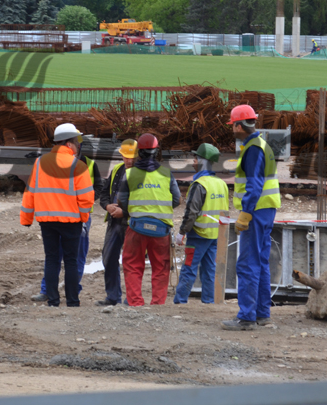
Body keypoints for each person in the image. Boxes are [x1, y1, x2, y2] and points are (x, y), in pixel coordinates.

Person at [20, 123, 94, 307]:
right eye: (76, 142)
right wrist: (83, 219)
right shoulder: (78, 165)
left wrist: (27, 219)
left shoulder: (39, 163)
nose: (78, 145)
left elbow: (30, 193)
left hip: (47, 221)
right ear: (69, 144)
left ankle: (53, 300)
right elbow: (86, 199)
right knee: (70, 261)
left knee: (51, 259)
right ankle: (72, 301)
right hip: (71, 222)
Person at [221, 105, 281, 330]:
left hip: (255, 212)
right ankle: (262, 314)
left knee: (247, 263)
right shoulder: (261, 144)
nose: (232, 130)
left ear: (239, 125)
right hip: (265, 211)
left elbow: (254, 185)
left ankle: (246, 318)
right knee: (261, 262)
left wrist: (245, 214)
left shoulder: (253, 148)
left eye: (233, 126)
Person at [31, 142, 103, 303]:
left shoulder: (88, 164)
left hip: (80, 217)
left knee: (75, 257)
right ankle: (50, 292)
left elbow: (98, 186)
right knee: (57, 257)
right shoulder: (55, 163)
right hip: (64, 217)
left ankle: (71, 292)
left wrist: (86, 203)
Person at [117, 133, 181, 306]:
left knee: (132, 265)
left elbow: (122, 200)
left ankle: (135, 302)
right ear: (156, 151)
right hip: (161, 230)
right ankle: (158, 304)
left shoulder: (129, 174)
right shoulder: (167, 174)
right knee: (161, 267)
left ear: (139, 152)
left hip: (136, 227)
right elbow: (177, 200)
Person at [173, 143, 228, 304]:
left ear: (203, 160)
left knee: (189, 268)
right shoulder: (221, 184)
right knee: (209, 270)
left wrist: (182, 232)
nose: (193, 161)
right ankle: (209, 301)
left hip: (198, 235)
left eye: (196, 158)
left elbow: (191, 212)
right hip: (214, 235)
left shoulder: (199, 185)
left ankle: (180, 301)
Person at [95, 139, 138, 306]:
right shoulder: (117, 170)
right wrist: (107, 206)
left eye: (132, 157)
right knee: (109, 258)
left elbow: (145, 201)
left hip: (131, 224)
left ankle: (131, 299)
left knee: (131, 262)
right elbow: (104, 193)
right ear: (121, 156)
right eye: (126, 157)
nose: (129, 161)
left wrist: (124, 212)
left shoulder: (142, 174)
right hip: (114, 223)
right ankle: (113, 297)